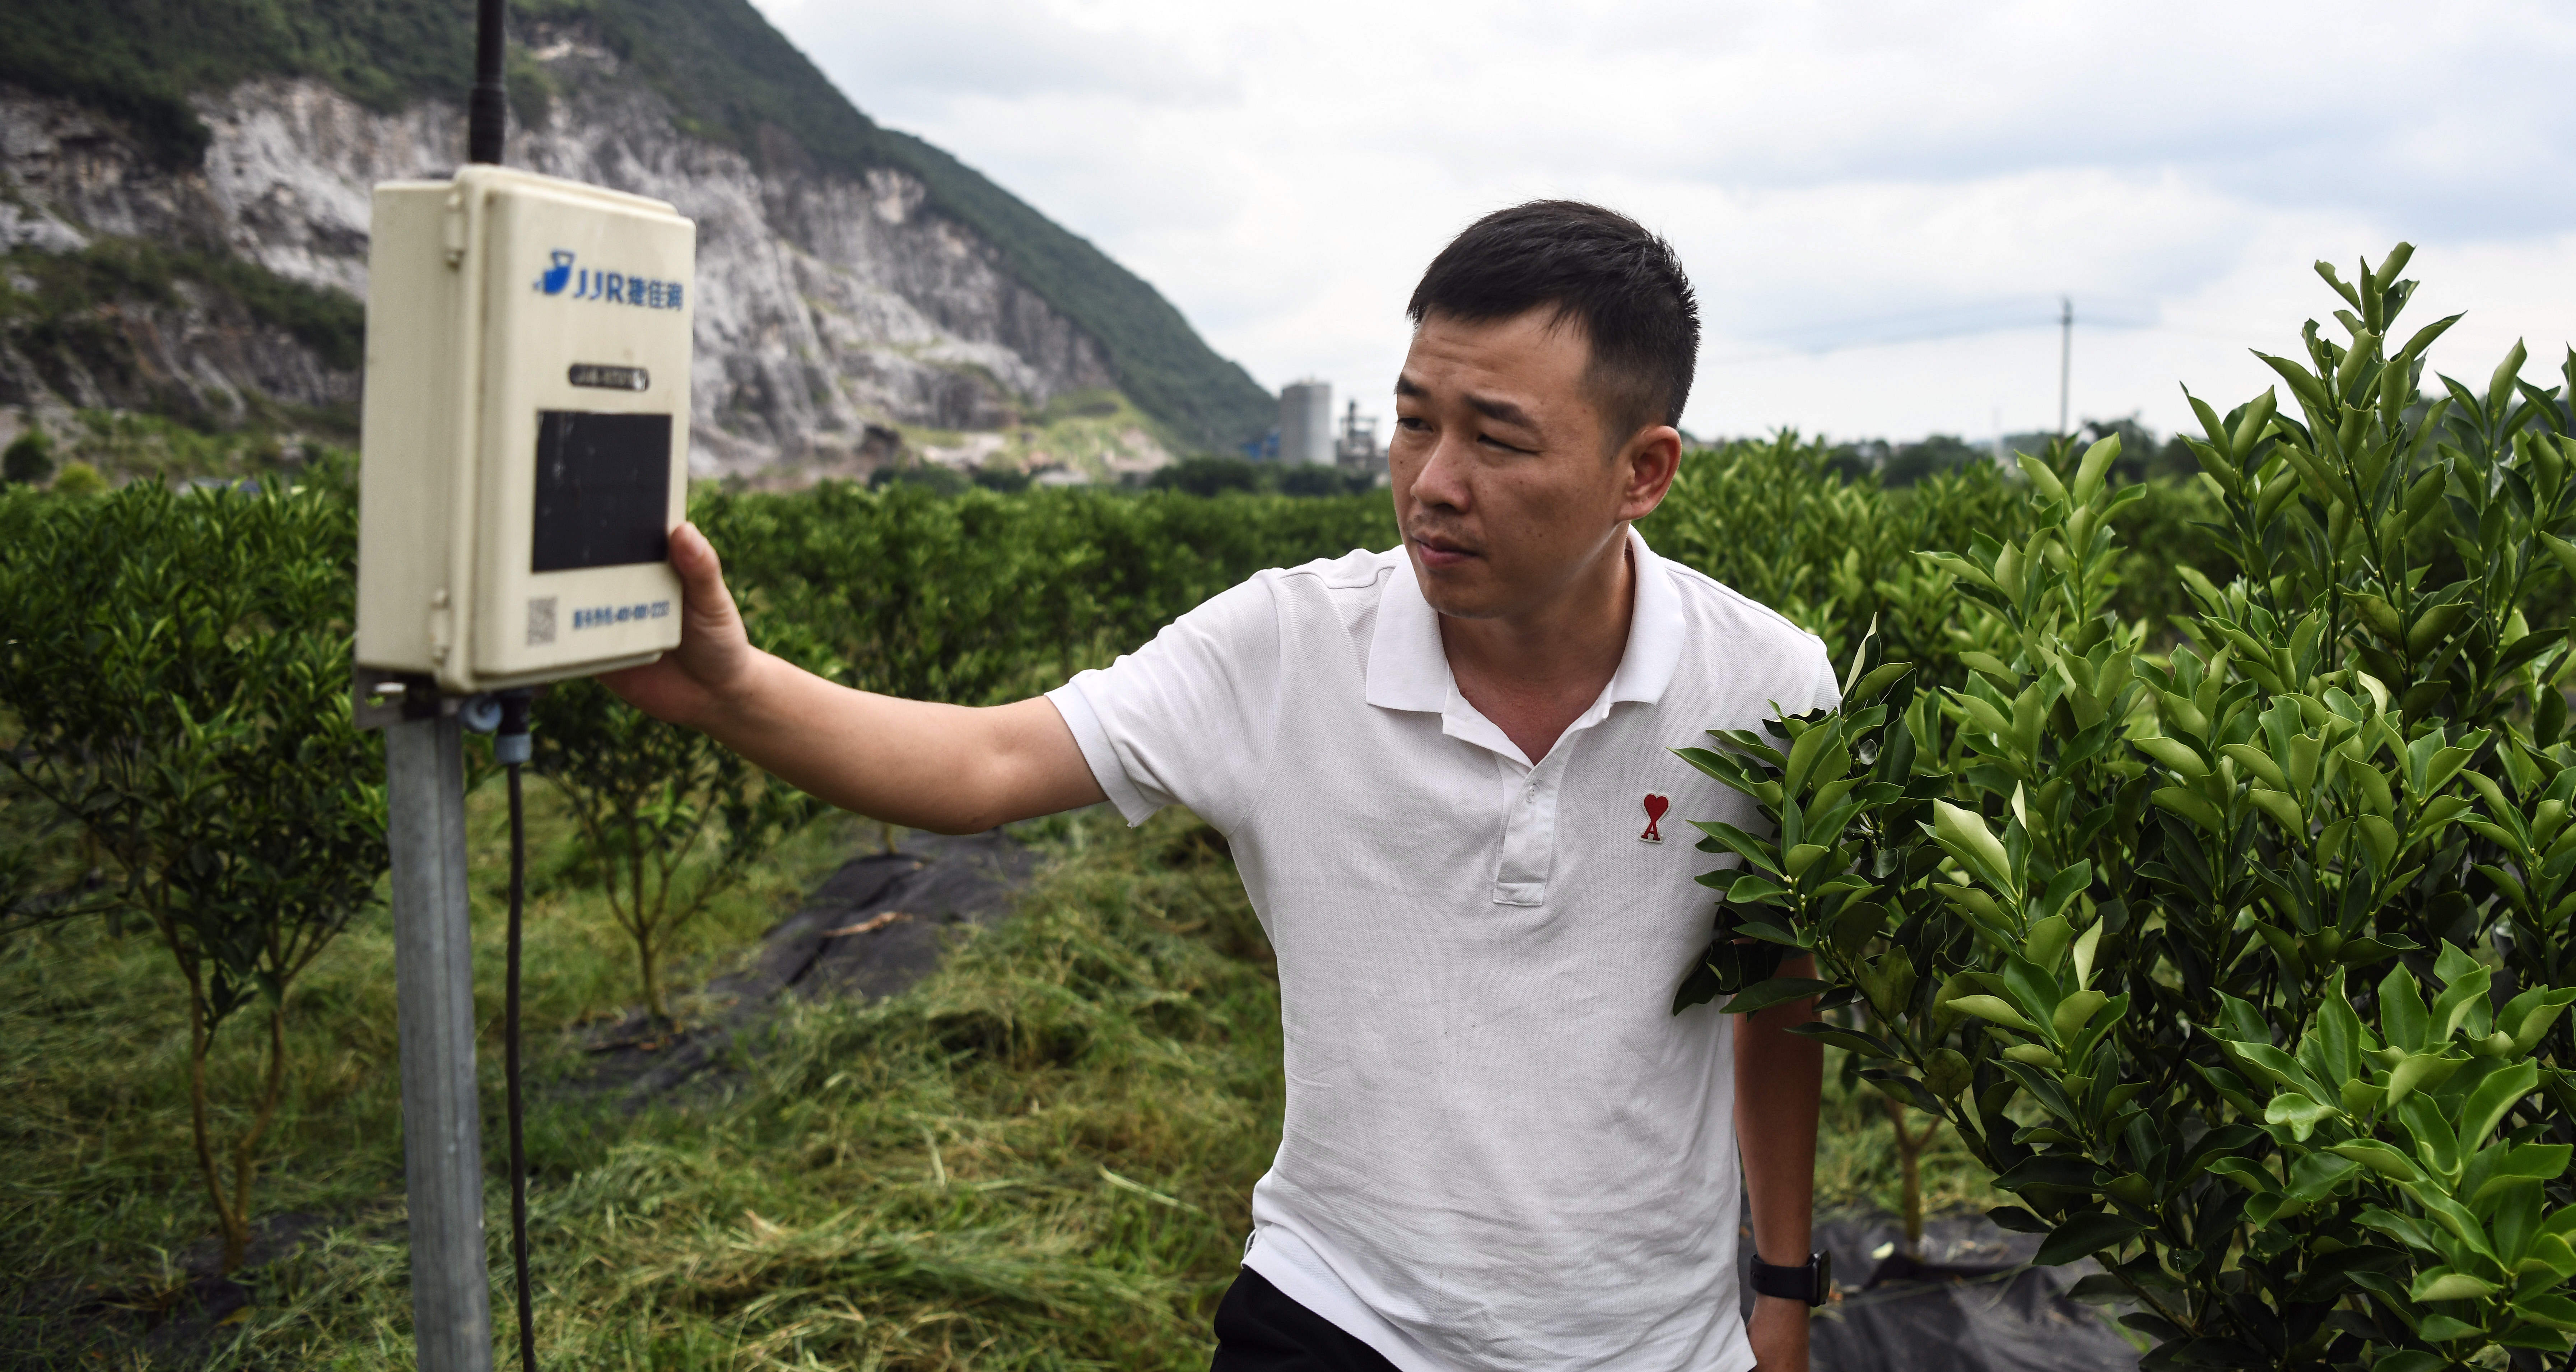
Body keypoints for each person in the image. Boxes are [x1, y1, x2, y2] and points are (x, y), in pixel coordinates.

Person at [605, 200, 1834, 1372]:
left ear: (1644, 470)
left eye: (1497, 437)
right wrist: (733, 689)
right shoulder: (1286, 646)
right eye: (1414, 422)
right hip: (1341, 1309)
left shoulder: (1766, 685)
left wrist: (1782, 1285)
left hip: (1651, 1337)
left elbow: (1779, 989)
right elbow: (985, 763)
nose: (1432, 482)